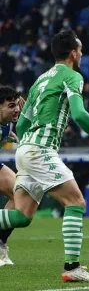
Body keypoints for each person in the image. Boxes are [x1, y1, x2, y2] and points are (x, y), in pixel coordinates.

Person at [0, 30, 89, 282]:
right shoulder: (72, 76)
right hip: (40, 151)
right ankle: (72, 267)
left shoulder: (40, 80)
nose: (81, 55)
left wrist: (28, 144)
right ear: (73, 53)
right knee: (76, 203)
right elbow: (80, 115)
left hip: (25, 150)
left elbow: (23, 123)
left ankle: (72, 267)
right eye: (79, 51)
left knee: (21, 217)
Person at [0, 87, 22, 266]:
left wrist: (9, 136)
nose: (16, 109)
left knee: (19, 194)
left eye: (17, 105)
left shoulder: (8, 121)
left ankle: (0, 242)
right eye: (11, 105)